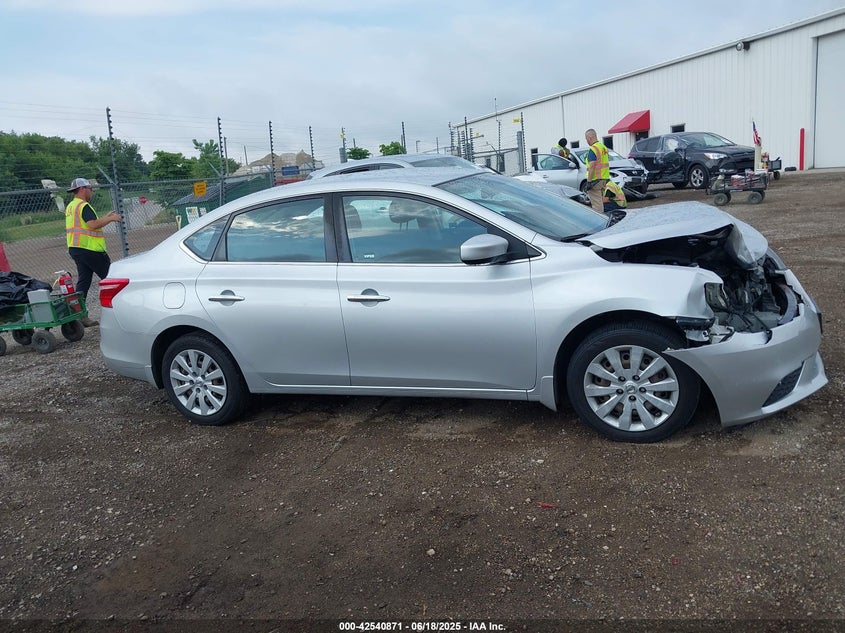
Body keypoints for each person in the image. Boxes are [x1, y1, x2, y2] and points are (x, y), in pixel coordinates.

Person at [65, 177, 122, 327]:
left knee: (84, 281)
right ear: (83, 189)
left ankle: (80, 314)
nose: (91, 191)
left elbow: (86, 223)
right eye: (90, 188)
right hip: (90, 250)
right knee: (111, 279)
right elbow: (92, 224)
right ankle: (121, 310)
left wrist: (105, 217)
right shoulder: (83, 206)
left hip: (76, 249)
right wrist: (112, 219)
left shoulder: (72, 206)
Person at [584, 129, 610, 213]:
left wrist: (589, 181)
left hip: (595, 180)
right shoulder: (603, 147)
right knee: (600, 202)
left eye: (586, 138)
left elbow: (592, 166)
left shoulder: (593, 149)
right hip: (604, 178)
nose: (587, 141)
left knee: (596, 205)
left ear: (589, 137)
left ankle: (600, 222)